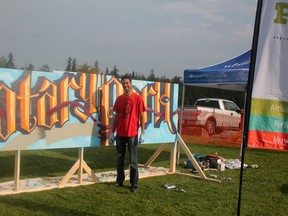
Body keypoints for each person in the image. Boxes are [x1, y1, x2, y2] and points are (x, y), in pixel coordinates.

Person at [109, 75, 145, 192]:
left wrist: (142, 132)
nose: (125, 85)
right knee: (120, 158)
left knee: (133, 160)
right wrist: (112, 132)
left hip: (132, 134)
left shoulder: (138, 98)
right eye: (123, 83)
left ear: (131, 84)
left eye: (127, 83)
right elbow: (117, 117)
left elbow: (141, 116)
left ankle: (134, 184)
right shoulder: (119, 99)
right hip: (120, 134)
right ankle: (119, 181)